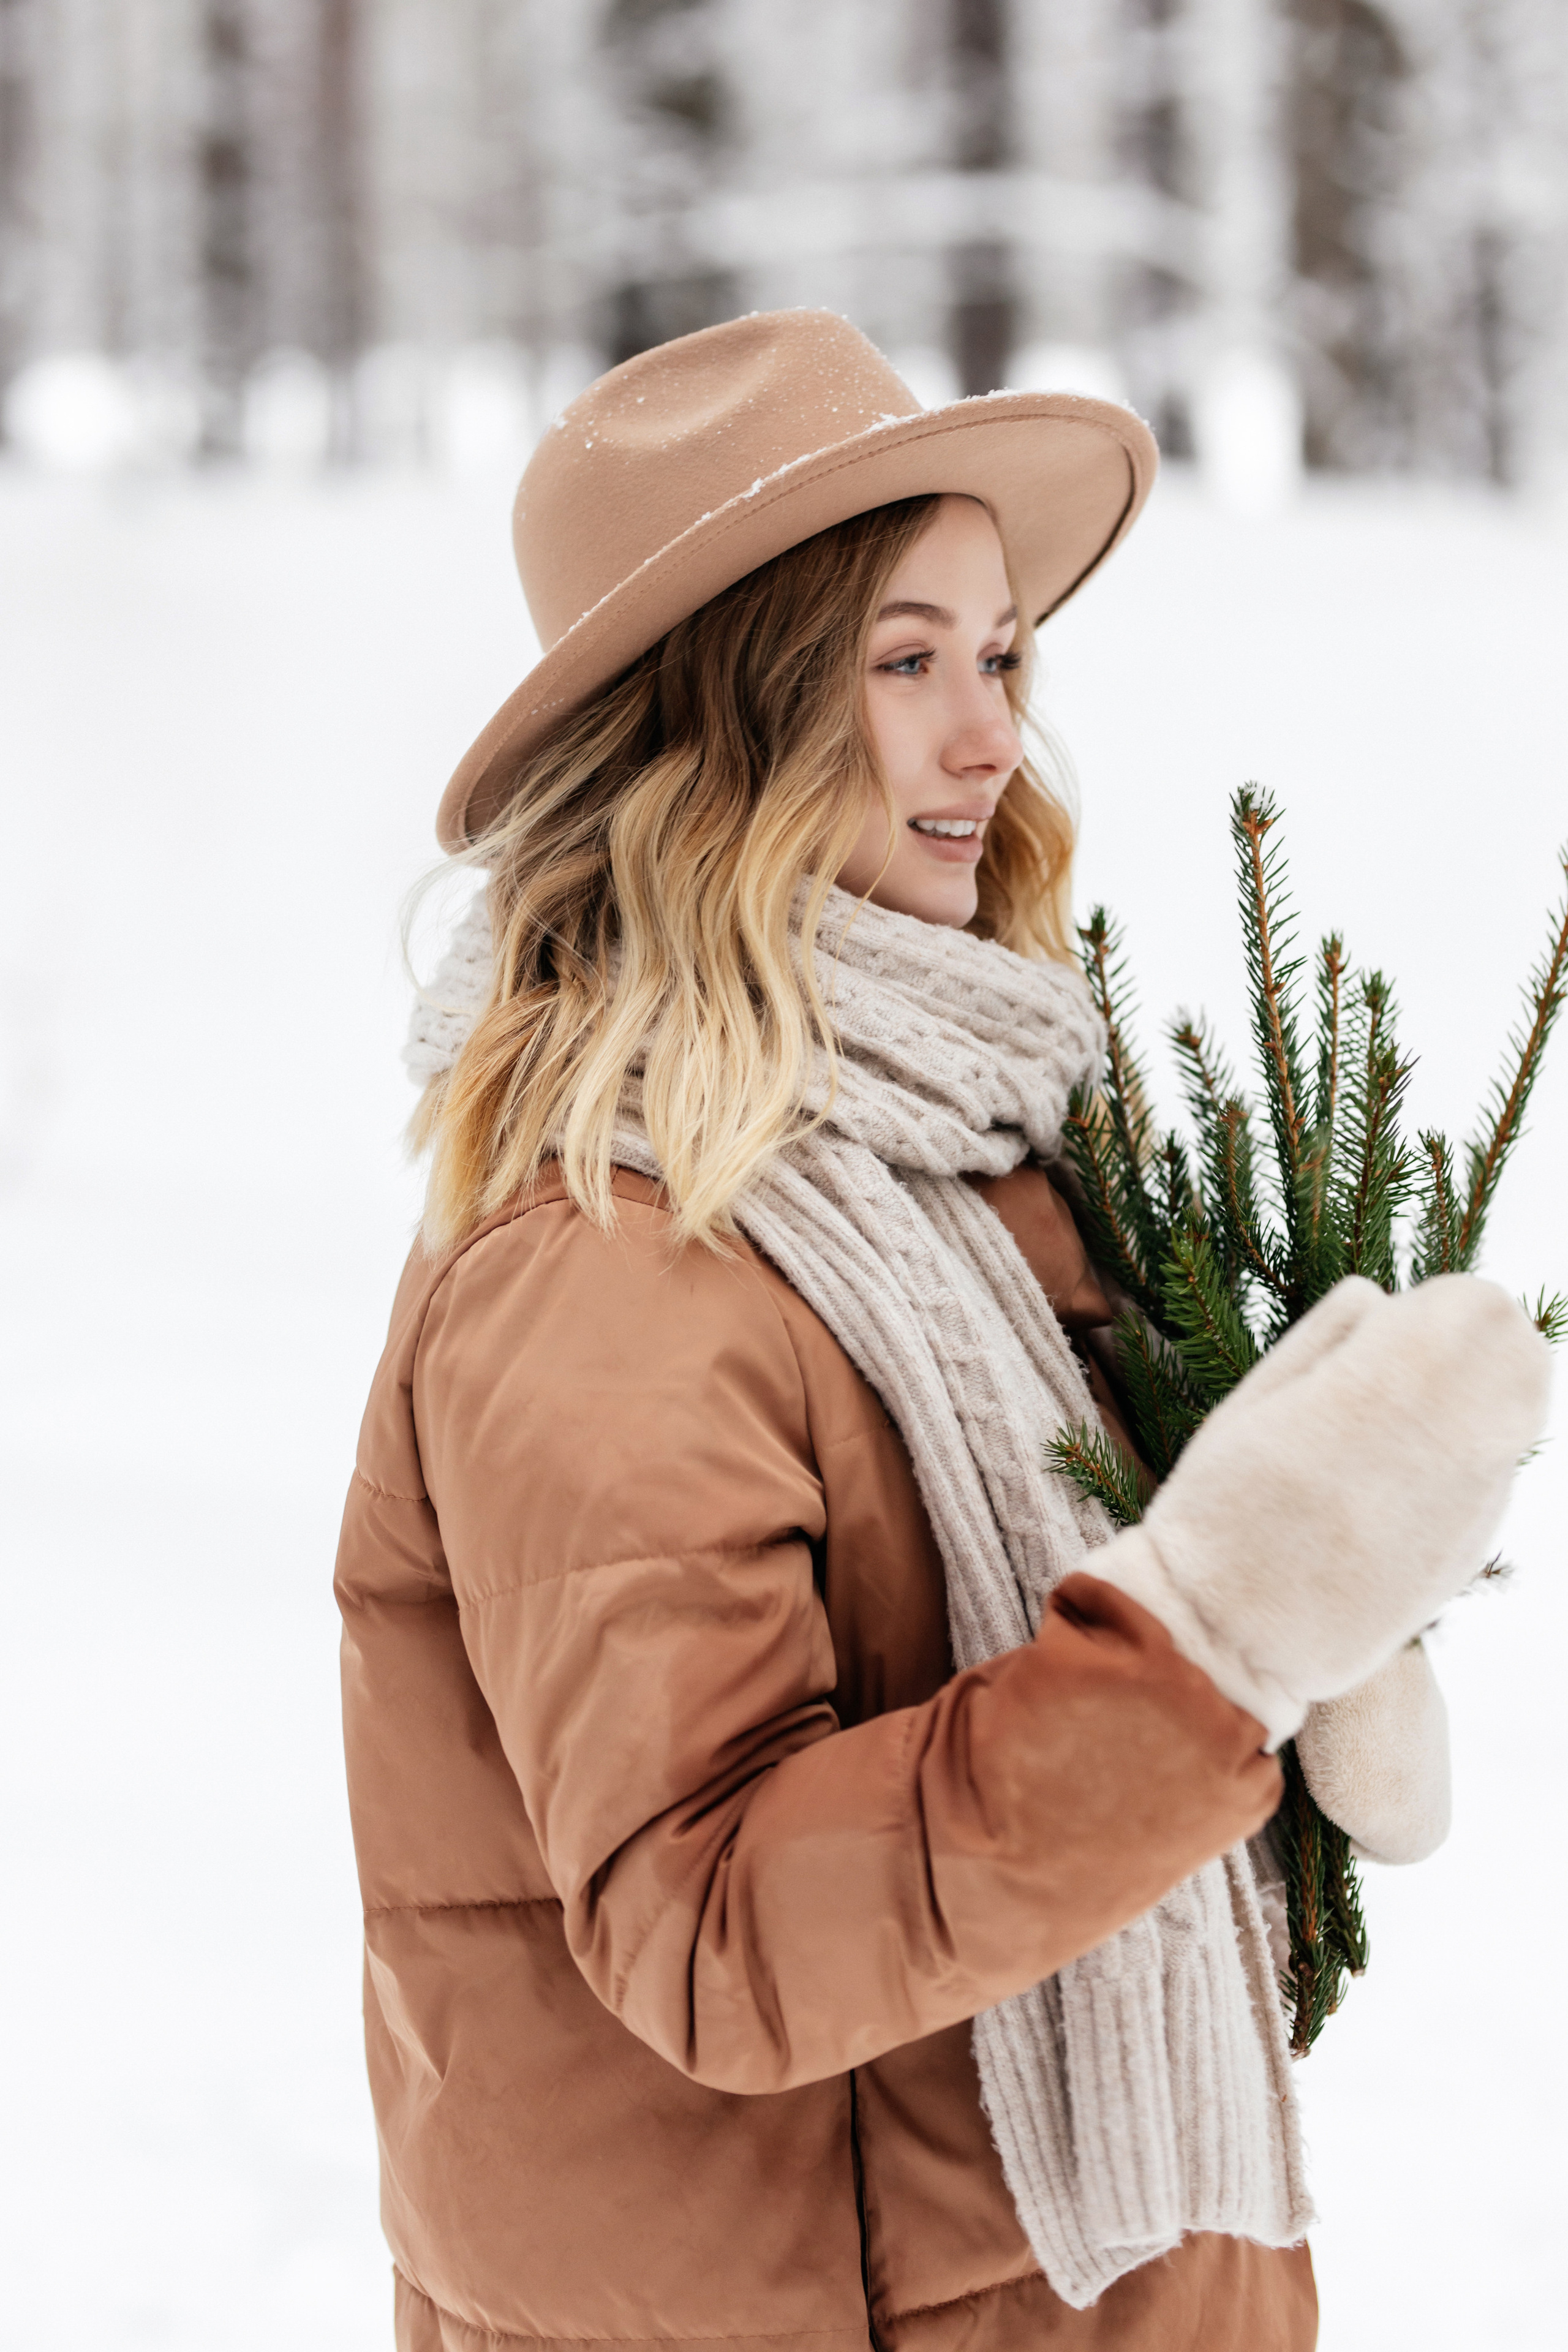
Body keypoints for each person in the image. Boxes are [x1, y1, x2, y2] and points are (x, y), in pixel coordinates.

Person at [336, 311, 1547, 2352]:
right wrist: (1206, 1640)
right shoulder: (605, 1256)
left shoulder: (977, 1155)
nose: (989, 738)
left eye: (999, 658)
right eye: (905, 664)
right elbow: (708, 1924)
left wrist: (1319, 1628)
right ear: (708, 733)